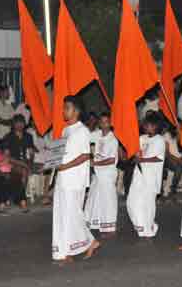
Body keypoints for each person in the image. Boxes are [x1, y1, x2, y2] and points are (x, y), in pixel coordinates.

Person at [52, 96, 100, 264]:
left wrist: (66, 166)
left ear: (76, 111)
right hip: (63, 178)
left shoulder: (82, 131)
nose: (63, 111)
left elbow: (86, 155)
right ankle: (70, 249)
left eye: (67, 108)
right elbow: (62, 154)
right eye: (64, 107)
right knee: (63, 215)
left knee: (72, 214)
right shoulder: (66, 130)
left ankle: (72, 250)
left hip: (75, 179)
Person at [127, 113, 166, 239]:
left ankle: (148, 228)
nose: (145, 127)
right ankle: (141, 226)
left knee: (147, 204)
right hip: (138, 175)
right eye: (145, 125)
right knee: (132, 202)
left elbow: (157, 158)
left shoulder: (160, 140)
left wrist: (141, 160)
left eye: (148, 125)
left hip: (151, 178)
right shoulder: (141, 138)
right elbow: (135, 153)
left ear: (155, 126)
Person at [85, 112, 119, 238]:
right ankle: (95, 223)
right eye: (102, 122)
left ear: (110, 124)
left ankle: (110, 228)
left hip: (108, 173)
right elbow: (85, 138)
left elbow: (111, 160)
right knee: (94, 198)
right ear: (99, 123)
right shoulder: (97, 135)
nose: (104, 124)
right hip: (98, 174)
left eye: (107, 122)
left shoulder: (113, 140)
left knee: (108, 201)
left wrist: (95, 163)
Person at [1, 115, 33, 211]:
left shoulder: (28, 136)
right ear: (13, 124)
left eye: (22, 122)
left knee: (25, 171)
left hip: (25, 163)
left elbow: (31, 153)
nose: (20, 125)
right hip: (12, 163)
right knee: (23, 171)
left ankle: (18, 198)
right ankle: (21, 200)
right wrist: (22, 164)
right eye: (17, 122)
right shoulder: (8, 137)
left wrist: (29, 163)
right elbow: (7, 156)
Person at [162, 124, 182, 199]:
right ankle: (173, 189)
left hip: (179, 158)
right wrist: (178, 159)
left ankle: (174, 188)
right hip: (169, 158)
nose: (181, 127)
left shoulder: (180, 135)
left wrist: (180, 135)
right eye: (179, 126)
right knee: (179, 168)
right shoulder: (167, 135)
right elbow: (167, 153)